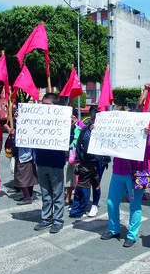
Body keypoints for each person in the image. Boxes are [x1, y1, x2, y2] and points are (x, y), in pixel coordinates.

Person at [100, 121, 150, 247]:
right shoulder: (119, 132)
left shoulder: (146, 133)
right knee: (111, 202)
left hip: (135, 174)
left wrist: (147, 141)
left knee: (135, 205)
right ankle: (114, 229)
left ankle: (132, 235)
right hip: (117, 173)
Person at [33, 93, 67, 234]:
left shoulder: (62, 120)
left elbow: (69, 138)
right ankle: (46, 219)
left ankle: (58, 221)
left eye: (47, 105)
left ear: (55, 106)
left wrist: (70, 125)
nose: (44, 108)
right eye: (43, 105)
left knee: (57, 194)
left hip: (56, 162)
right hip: (41, 160)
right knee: (45, 194)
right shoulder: (37, 119)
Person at [75, 112, 111, 217]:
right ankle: (81, 204)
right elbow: (79, 144)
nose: (93, 122)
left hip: (99, 161)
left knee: (96, 183)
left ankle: (94, 205)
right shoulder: (85, 130)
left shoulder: (105, 131)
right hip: (86, 160)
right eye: (91, 120)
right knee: (84, 182)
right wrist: (78, 159)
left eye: (95, 121)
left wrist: (98, 132)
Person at [64, 109, 81, 206]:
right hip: (60, 155)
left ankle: (68, 197)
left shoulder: (77, 128)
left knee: (70, 178)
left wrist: (73, 127)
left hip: (70, 157)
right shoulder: (61, 127)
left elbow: (76, 141)